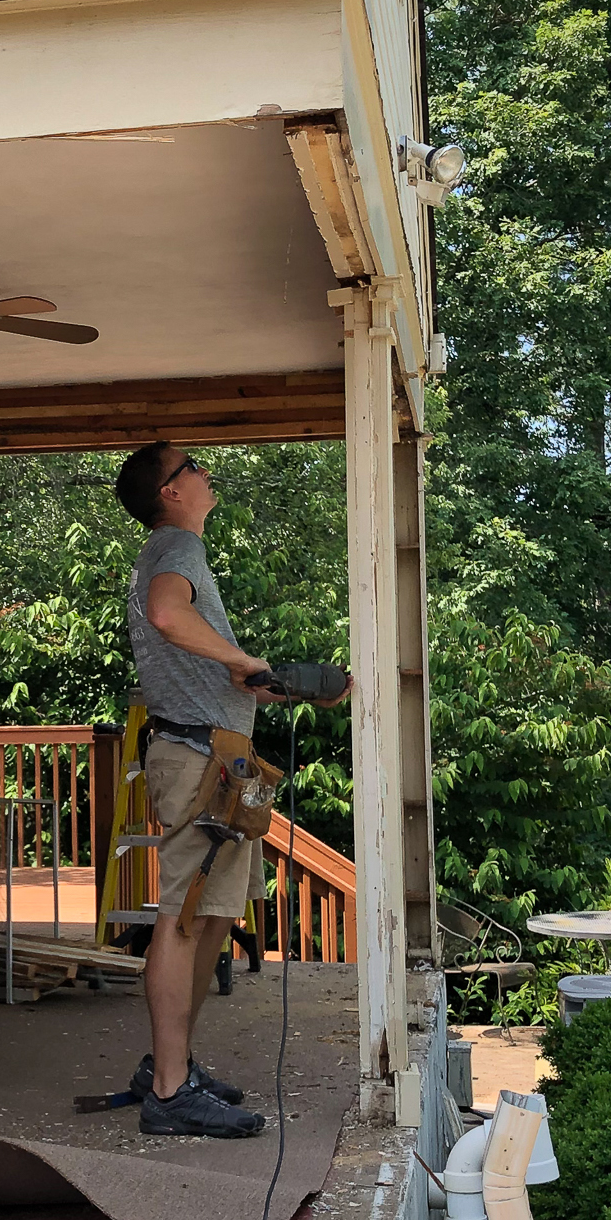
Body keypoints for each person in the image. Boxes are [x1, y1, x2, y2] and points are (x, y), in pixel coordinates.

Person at [114, 443, 348, 1137]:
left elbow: (190, 647)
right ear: (172, 490)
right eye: (194, 465)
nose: (206, 471)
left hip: (217, 752)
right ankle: (168, 1090)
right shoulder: (175, 550)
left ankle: (172, 1062)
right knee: (184, 917)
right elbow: (165, 615)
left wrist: (256, 681)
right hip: (195, 758)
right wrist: (243, 658)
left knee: (212, 915)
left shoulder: (178, 549)